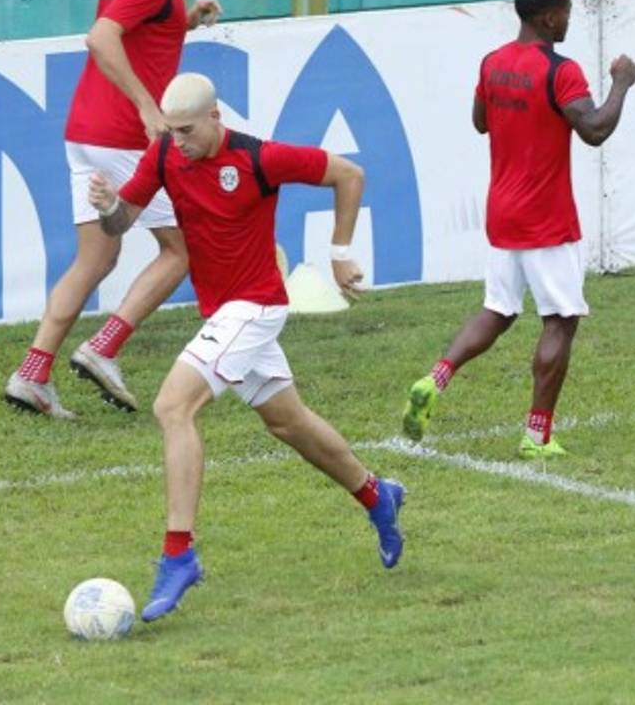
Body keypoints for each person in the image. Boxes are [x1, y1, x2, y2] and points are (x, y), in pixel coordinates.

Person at [89, 73, 406, 623]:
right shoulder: (165, 152)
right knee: (288, 422)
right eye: (171, 130)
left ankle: (178, 554)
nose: (178, 140)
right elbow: (122, 221)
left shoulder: (261, 159)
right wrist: (107, 205)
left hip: (256, 306)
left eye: (187, 129)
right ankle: (377, 496)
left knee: (172, 406)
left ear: (215, 118)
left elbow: (348, 174)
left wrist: (339, 252)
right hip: (225, 314)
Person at [4, 0, 224, 419]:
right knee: (183, 249)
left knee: (96, 257)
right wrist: (149, 108)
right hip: (122, 136)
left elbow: (136, 28)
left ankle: (32, 375)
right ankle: (103, 347)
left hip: (86, 130)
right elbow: (102, 37)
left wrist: (186, 19)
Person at [401, 0, 635, 457]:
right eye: (567, 11)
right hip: (546, 218)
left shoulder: (493, 63)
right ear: (548, 15)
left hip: (503, 212)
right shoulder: (561, 70)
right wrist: (621, 85)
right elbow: (594, 129)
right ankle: (537, 435)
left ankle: (436, 377)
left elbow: (480, 121)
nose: (569, 18)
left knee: (499, 309)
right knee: (561, 320)